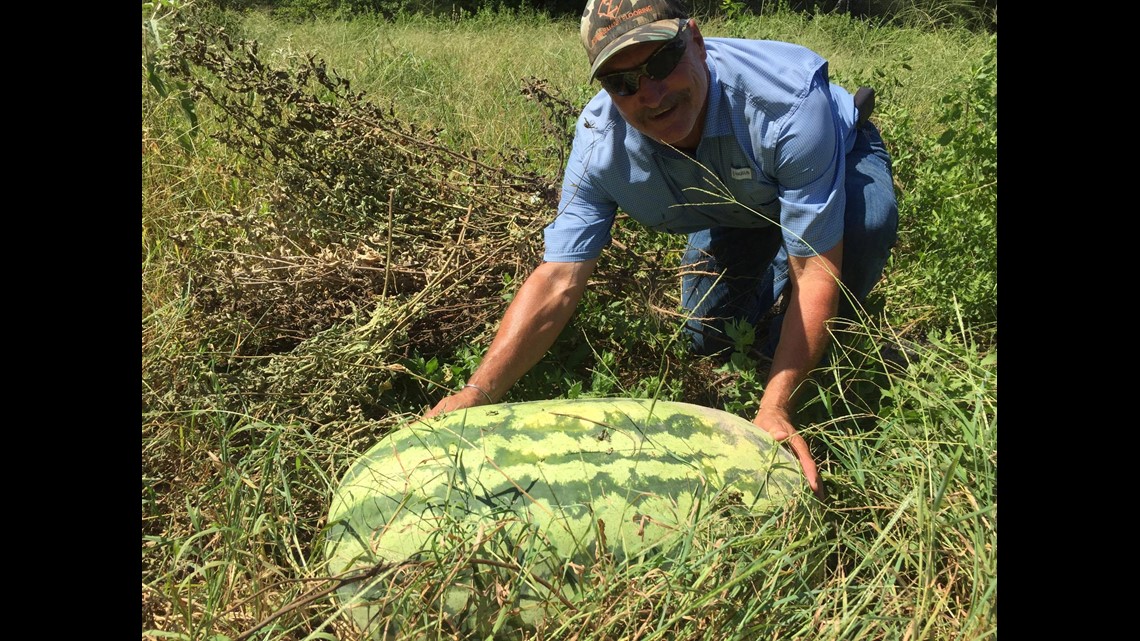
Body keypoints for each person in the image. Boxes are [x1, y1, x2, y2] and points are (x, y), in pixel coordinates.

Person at [425, 0, 898, 498]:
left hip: (833, 158)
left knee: (861, 228)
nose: (650, 94)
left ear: (696, 41)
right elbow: (558, 278)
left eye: (662, 62)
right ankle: (779, 251)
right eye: (622, 82)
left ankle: (804, 313)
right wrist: (477, 391)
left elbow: (816, 269)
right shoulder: (601, 147)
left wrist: (775, 407)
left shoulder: (785, 106)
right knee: (706, 335)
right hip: (732, 202)